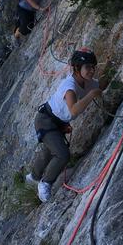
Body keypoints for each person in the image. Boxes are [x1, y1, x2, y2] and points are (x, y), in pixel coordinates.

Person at [25, 48, 108, 203]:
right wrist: (91, 95)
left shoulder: (86, 82)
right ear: (77, 68)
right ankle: (45, 183)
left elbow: (100, 85)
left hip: (56, 122)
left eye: (93, 67)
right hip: (46, 120)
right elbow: (73, 110)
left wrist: (109, 68)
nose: (91, 70)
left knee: (50, 149)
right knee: (62, 154)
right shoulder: (69, 87)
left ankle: (34, 176)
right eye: (87, 67)